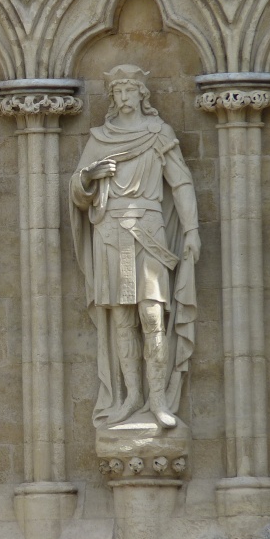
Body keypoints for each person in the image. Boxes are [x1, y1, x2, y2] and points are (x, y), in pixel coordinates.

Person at [70, 65, 200, 430]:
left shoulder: (159, 134)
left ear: (142, 94)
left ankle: (158, 398)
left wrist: (191, 230)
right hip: (110, 233)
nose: (124, 98)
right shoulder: (101, 137)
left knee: (152, 314)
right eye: (119, 92)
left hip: (148, 229)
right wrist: (90, 177)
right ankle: (131, 397)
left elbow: (181, 183)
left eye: (130, 91)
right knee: (122, 319)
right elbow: (77, 191)